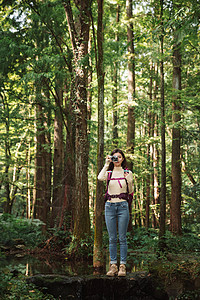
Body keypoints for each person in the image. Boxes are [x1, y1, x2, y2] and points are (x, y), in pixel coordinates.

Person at [98, 148, 133, 277]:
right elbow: (99, 178)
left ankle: (122, 266)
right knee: (112, 238)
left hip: (123, 206)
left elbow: (130, 191)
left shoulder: (127, 172)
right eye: (114, 157)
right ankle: (113, 266)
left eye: (119, 157)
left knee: (122, 238)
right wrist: (107, 163)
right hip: (109, 206)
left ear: (122, 159)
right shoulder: (109, 172)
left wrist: (129, 180)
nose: (116, 159)